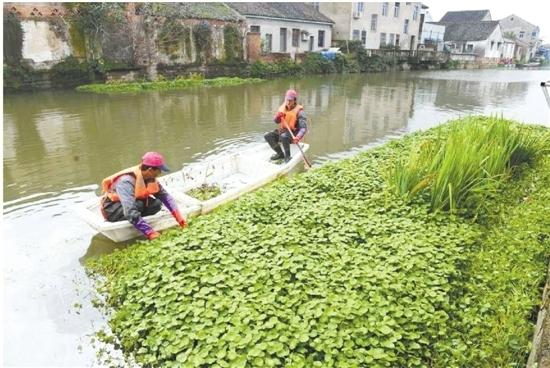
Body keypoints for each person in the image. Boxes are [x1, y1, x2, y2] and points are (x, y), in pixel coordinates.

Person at [100, 152, 187, 240]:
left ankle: (138, 222)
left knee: (156, 204)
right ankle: (138, 224)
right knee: (139, 205)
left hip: (133, 204)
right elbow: (130, 211)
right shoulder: (126, 181)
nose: (160, 172)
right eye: (159, 170)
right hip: (112, 210)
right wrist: (150, 232)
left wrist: (179, 218)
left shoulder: (150, 178)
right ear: (150, 170)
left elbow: (165, 196)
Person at [264, 89, 307, 163]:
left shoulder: (300, 112)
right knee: (267, 135)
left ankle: (288, 156)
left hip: (293, 134)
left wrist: (298, 137)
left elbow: (303, 128)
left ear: (295, 100)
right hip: (283, 131)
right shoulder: (282, 108)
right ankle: (280, 154)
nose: (288, 102)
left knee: (284, 136)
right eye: (287, 100)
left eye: (290, 100)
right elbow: (276, 121)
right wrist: (277, 116)